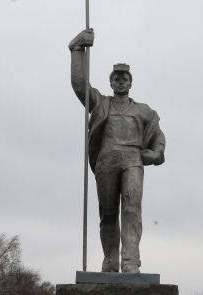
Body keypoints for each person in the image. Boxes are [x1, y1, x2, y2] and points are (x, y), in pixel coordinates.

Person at [69, 28, 166, 274]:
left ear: (131, 83)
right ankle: (110, 262)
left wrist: (155, 154)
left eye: (125, 78)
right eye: (116, 78)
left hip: (133, 160)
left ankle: (131, 261)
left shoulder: (144, 111)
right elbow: (80, 85)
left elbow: (158, 139)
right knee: (109, 213)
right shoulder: (101, 104)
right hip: (107, 161)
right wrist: (77, 50)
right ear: (110, 82)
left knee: (132, 209)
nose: (120, 81)